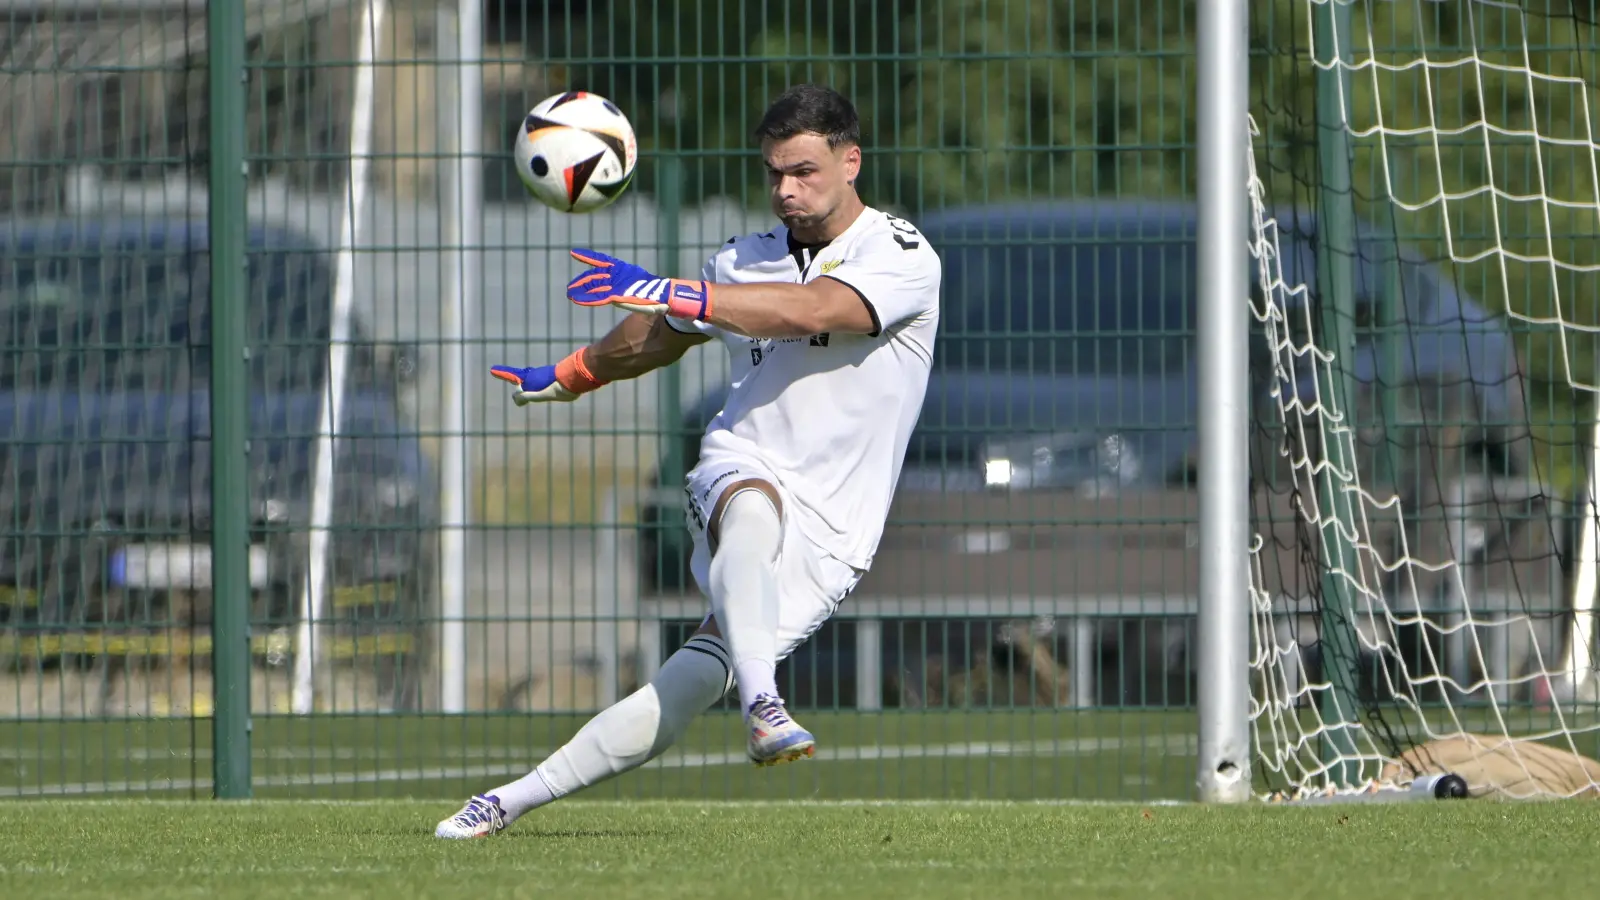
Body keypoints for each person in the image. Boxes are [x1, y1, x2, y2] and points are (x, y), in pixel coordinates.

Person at [435, 83, 942, 839]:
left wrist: (679, 291)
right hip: (745, 459)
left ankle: (508, 800)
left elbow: (813, 312)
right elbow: (663, 333)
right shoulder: (743, 258)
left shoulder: (900, 254)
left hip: (837, 529)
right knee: (747, 507)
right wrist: (571, 373)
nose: (786, 190)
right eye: (774, 173)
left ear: (851, 161)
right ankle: (766, 707)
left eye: (803, 171)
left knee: (689, 681)